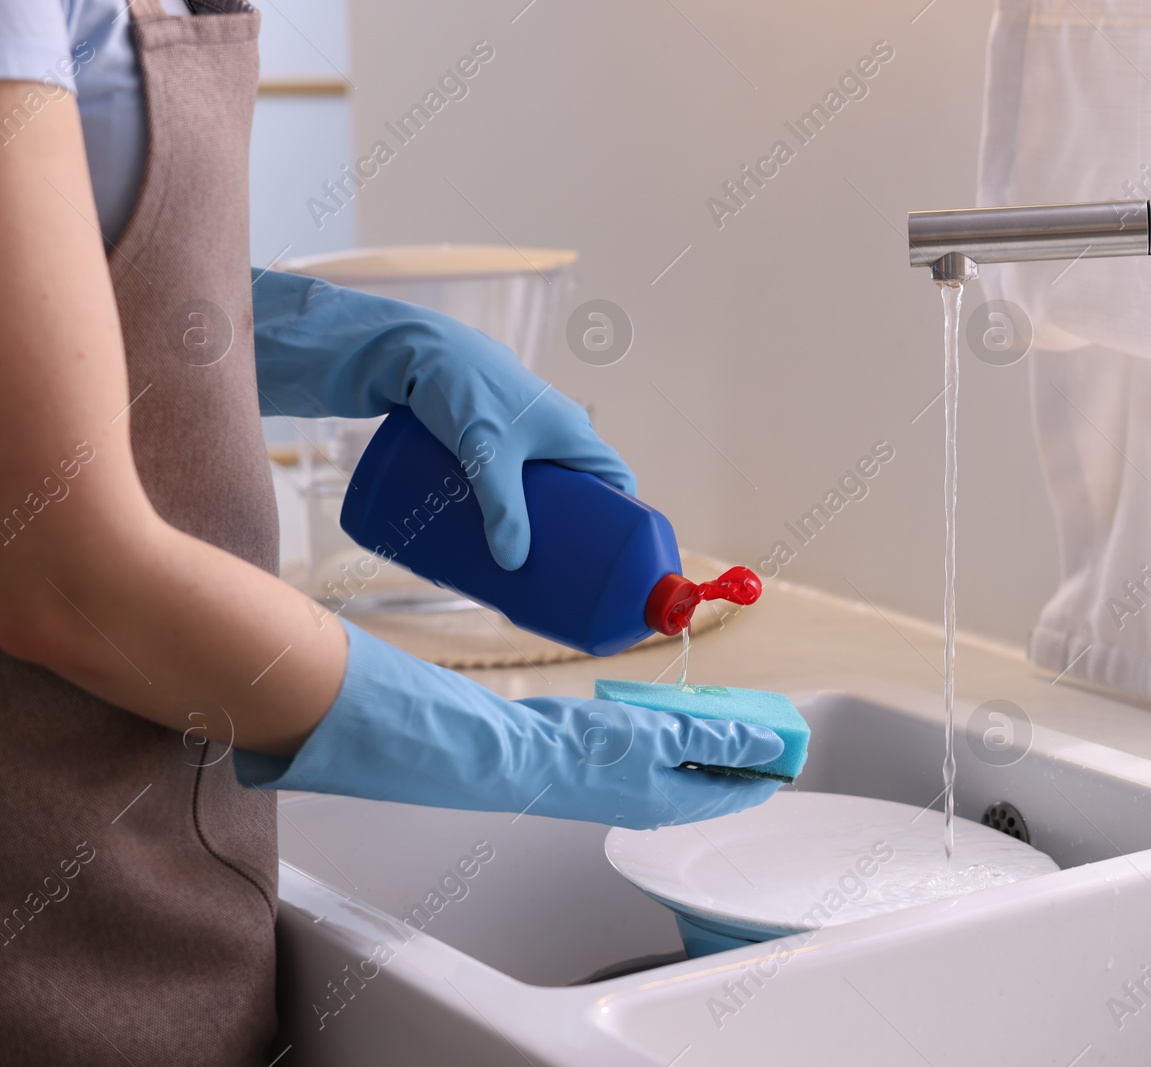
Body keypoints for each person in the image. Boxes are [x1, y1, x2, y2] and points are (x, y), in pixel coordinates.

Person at [0, 2, 783, 1062]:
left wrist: (367, 343)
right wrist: (518, 747)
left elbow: (79, 284)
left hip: (164, 872)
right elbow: (62, 576)